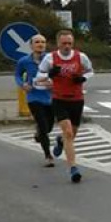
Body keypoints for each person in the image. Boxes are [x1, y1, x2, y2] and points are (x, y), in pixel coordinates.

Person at [38, 30, 93, 183]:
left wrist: (83, 78)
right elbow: (39, 76)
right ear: (58, 44)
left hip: (77, 99)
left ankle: (61, 142)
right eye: (64, 43)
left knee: (71, 135)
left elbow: (90, 71)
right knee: (68, 132)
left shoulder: (81, 57)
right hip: (59, 99)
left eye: (69, 43)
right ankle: (72, 168)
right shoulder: (50, 58)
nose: (67, 46)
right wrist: (50, 74)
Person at [15, 34, 56, 166]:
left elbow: (59, 74)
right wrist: (23, 84)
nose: (40, 44)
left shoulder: (51, 59)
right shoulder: (24, 61)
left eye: (43, 42)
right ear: (31, 45)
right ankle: (48, 156)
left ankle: (39, 134)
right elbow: (17, 75)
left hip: (49, 98)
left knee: (48, 127)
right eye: (37, 42)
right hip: (33, 97)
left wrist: (54, 83)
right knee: (43, 127)